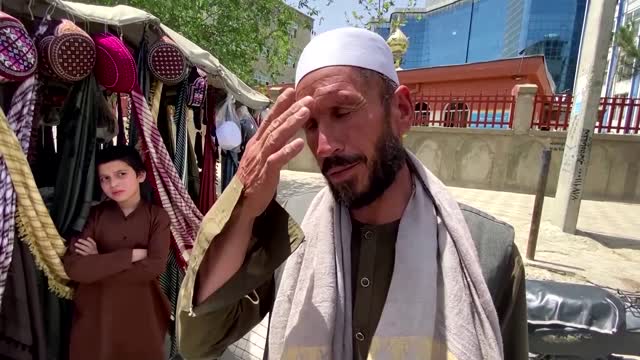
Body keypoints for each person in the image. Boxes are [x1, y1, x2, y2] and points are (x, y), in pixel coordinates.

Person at [177, 27, 527, 360]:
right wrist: (244, 207)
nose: (325, 146)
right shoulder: (291, 228)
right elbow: (200, 340)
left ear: (401, 111)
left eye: (343, 111)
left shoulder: (486, 251)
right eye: (311, 125)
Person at [63, 146, 171, 360]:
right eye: (104, 178)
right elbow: (74, 268)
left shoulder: (157, 217)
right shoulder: (94, 215)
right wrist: (131, 256)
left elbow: (154, 267)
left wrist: (98, 262)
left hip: (141, 313)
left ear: (140, 175)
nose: (112, 184)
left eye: (121, 174)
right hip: (96, 314)